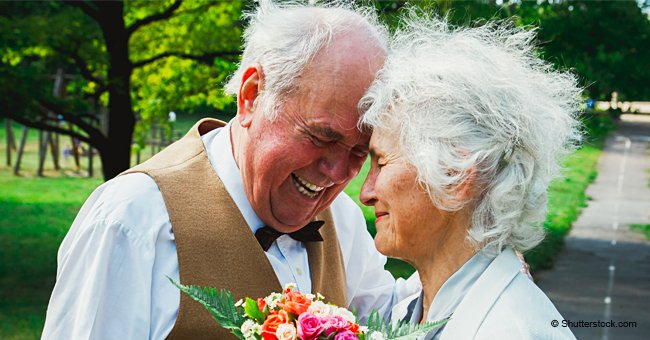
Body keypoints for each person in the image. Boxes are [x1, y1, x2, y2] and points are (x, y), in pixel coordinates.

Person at [42, 1, 416, 339]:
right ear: (251, 95)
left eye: (357, 152)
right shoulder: (133, 221)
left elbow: (391, 321)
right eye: (320, 137)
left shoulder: (343, 221)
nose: (336, 172)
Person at [357, 14, 580, 339]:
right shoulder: (422, 307)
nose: (365, 192)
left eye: (381, 162)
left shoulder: (509, 332)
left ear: (457, 175)